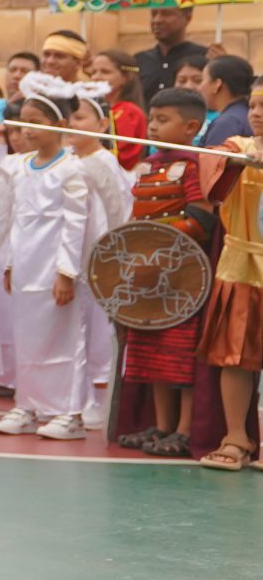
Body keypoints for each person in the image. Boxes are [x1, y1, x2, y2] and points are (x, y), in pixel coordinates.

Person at [115, 88, 213, 455]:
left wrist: (158, 239)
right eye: (152, 119)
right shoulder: (148, 166)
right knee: (150, 351)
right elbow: (136, 215)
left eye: (163, 120)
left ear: (191, 127)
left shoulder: (193, 166)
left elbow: (202, 218)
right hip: (147, 276)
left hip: (181, 275)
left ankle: (185, 430)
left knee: (179, 354)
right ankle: (161, 426)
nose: (153, 127)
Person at [0, 88, 92, 438]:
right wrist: (9, 264)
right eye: (23, 123)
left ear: (60, 125)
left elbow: (75, 223)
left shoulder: (72, 169)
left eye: (35, 123)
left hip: (54, 267)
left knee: (64, 338)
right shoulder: (20, 168)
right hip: (25, 267)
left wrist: (66, 272)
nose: (27, 130)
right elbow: (14, 218)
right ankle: (28, 404)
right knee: (26, 339)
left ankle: (70, 412)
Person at [194, 83, 263, 471]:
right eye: (253, 105)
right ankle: (236, 437)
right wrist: (236, 163)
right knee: (234, 354)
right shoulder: (237, 146)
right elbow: (212, 166)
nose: (257, 113)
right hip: (240, 263)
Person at [66, 89, 135, 405]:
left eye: (79, 117)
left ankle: (99, 397)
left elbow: (116, 212)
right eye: (68, 117)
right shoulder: (69, 161)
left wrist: (110, 258)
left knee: (97, 330)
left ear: (102, 124)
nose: (71, 123)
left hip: (100, 258)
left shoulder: (104, 163)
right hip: (75, 255)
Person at [88, 48, 148, 168]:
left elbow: (121, 154)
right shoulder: (96, 109)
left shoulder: (129, 112)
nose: (96, 77)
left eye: (105, 72)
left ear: (126, 77)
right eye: (93, 72)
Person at [136, 6, 204, 104]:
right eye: (153, 14)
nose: (157, 20)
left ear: (188, 18)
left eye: (166, 14)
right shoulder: (138, 60)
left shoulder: (205, 56)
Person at [200, 54, 254, 146]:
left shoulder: (227, 123)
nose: (200, 87)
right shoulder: (245, 113)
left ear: (217, 84)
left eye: (202, 80)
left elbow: (213, 155)